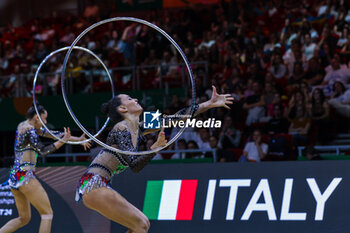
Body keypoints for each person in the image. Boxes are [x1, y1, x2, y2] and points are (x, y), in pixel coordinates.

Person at [75, 86, 233, 233]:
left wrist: (208, 104)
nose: (135, 100)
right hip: (94, 184)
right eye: (130, 99)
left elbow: (175, 118)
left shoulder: (138, 128)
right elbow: (135, 165)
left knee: (142, 225)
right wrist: (155, 148)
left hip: (98, 185)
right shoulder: (121, 128)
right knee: (141, 224)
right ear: (123, 109)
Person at [0, 104, 89, 233]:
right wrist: (63, 141)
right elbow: (43, 150)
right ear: (37, 117)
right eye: (44, 119)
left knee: (23, 218)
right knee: (47, 214)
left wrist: (78, 140)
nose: (46, 122)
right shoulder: (29, 129)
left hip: (15, 177)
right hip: (25, 176)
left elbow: (53, 134)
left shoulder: (24, 126)